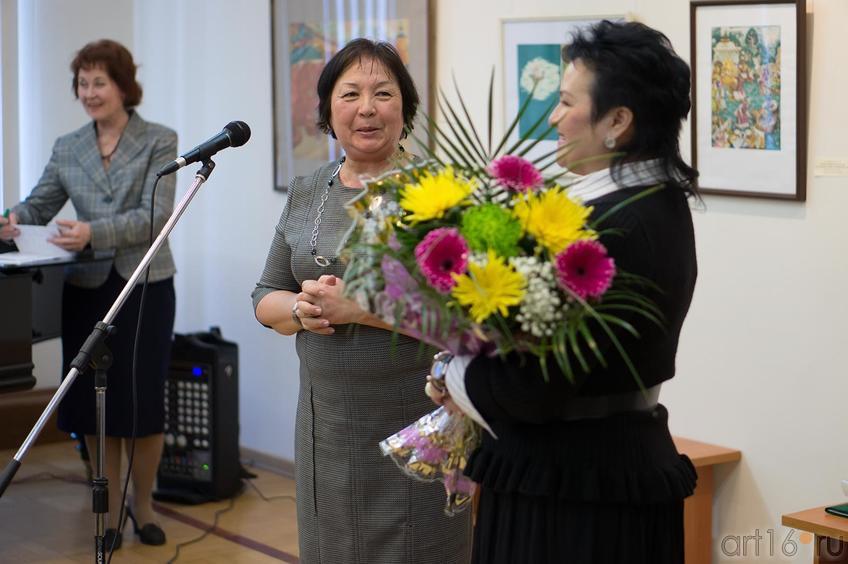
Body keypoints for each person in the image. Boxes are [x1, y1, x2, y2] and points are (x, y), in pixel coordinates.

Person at [426, 20, 700, 564]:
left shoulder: (602, 227)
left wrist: (450, 375)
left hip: (569, 487)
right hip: (622, 461)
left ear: (617, 121)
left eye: (566, 102)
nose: (553, 118)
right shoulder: (660, 203)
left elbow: (536, 387)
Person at [252, 38, 472, 564]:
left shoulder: (440, 192)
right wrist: (302, 311)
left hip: (418, 423)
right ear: (329, 109)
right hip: (326, 426)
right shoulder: (309, 190)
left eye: (383, 93)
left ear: (406, 107)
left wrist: (360, 309)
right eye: (350, 93)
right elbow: (266, 296)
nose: (367, 108)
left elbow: (468, 317)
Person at [0, 39, 176, 549]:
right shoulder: (68, 146)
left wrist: (93, 232)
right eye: (83, 83)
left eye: (100, 82)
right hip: (84, 290)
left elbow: (157, 214)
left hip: (144, 284)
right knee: (98, 408)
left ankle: (142, 506)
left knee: (140, 406)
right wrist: (12, 222)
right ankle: (111, 511)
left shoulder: (160, 140)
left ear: (123, 86)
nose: (90, 92)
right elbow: (38, 204)